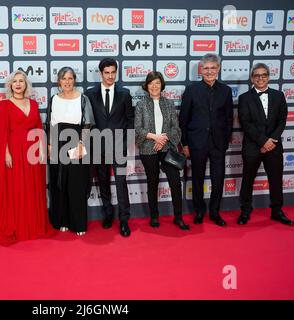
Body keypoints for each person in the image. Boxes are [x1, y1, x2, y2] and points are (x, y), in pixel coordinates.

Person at [0, 70, 54, 245]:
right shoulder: (4, 105)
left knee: (32, 187)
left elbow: (38, 127)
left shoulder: (33, 103)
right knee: (16, 188)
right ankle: (18, 225)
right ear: (10, 85)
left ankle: (33, 225)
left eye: (21, 81)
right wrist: (6, 153)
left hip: (32, 152)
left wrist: (40, 150)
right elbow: (2, 132)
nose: (17, 84)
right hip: (14, 151)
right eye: (14, 81)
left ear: (26, 85)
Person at [179, 53, 233, 227]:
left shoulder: (226, 90)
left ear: (218, 69)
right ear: (201, 70)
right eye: (206, 68)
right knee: (197, 178)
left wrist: (225, 141)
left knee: (218, 179)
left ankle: (215, 212)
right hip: (197, 142)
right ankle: (199, 211)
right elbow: (183, 119)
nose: (209, 71)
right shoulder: (192, 90)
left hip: (218, 143)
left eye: (213, 68)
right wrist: (185, 143)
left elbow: (229, 118)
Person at [237, 63, 294, 226]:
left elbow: (282, 120)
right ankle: (245, 211)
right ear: (252, 78)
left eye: (263, 75)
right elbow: (245, 123)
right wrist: (263, 141)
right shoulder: (244, 98)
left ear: (268, 77)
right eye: (256, 75)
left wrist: (271, 140)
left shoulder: (279, 96)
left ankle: (277, 211)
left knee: (276, 180)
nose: (260, 78)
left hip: (274, 146)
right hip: (252, 147)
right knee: (247, 180)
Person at [85, 58, 134, 237]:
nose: (110, 76)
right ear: (100, 73)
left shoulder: (125, 93)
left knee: (121, 182)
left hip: (119, 144)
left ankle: (124, 219)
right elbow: (87, 121)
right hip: (97, 145)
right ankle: (107, 214)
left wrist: (127, 142)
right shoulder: (90, 94)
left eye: (113, 72)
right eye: (107, 72)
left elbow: (130, 119)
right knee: (103, 181)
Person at [135, 71, 189, 230]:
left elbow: (176, 129)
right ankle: (154, 216)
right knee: (153, 183)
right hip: (148, 148)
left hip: (167, 148)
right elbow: (138, 129)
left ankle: (178, 217)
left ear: (162, 85)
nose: (154, 86)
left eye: (157, 83)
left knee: (175, 182)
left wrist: (163, 139)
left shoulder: (169, 104)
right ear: (146, 86)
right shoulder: (141, 105)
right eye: (151, 83)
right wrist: (154, 137)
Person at [46, 67, 95, 236]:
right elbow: (50, 123)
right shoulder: (54, 99)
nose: (67, 82)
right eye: (63, 78)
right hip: (57, 143)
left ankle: (78, 223)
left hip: (76, 143)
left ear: (74, 80)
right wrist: (51, 144)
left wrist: (82, 143)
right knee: (59, 183)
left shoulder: (83, 99)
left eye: (70, 78)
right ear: (59, 81)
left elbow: (87, 124)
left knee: (76, 184)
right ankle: (61, 221)